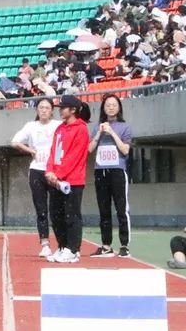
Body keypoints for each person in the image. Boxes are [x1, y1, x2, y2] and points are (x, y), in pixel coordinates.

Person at [10, 98, 61, 258]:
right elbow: (14, 142)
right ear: (37, 110)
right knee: (41, 209)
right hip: (37, 170)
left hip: (54, 171)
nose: (44, 110)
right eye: (41, 108)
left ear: (52, 110)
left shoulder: (58, 125)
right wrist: (31, 151)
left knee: (56, 208)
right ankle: (44, 243)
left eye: (47, 107)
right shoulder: (31, 126)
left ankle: (62, 243)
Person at [44, 95, 91, 264]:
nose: (60, 110)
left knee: (72, 215)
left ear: (73, 110)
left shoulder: (81, 129)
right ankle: (63, 246)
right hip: (56, 180)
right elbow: (53, 152)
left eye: (63, 108)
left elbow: (75, 156)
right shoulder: (60, 129)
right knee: (56, 214)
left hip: (73, 180)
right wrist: (49, 170)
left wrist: (58, 174)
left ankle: (73, 249)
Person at [89, 95, 133, 258]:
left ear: (119, 108)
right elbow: (90, 149)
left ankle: (124, 245)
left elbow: (125, 150)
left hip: (118, 171)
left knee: (122, 209)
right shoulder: (97, 127)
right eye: (108, 105)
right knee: (104, 209)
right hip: (101, 171)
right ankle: (106, 245)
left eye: (114, 105)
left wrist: (112, 133)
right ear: (103, 108)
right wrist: (99, 134)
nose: (111, 107)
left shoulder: (124, 127)